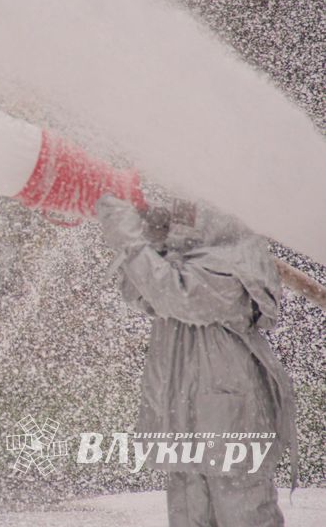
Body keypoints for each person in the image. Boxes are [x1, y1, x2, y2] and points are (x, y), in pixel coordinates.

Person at [95, 194, 296, 527]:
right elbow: (140, 295)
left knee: (242, 509)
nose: (179, 213)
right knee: (189, 511)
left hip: (230, 417)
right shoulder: (185, 258)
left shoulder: (238, 260)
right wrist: (152, 242)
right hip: (181, 413)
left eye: (188, 207)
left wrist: (133, 244)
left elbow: (180, 297)